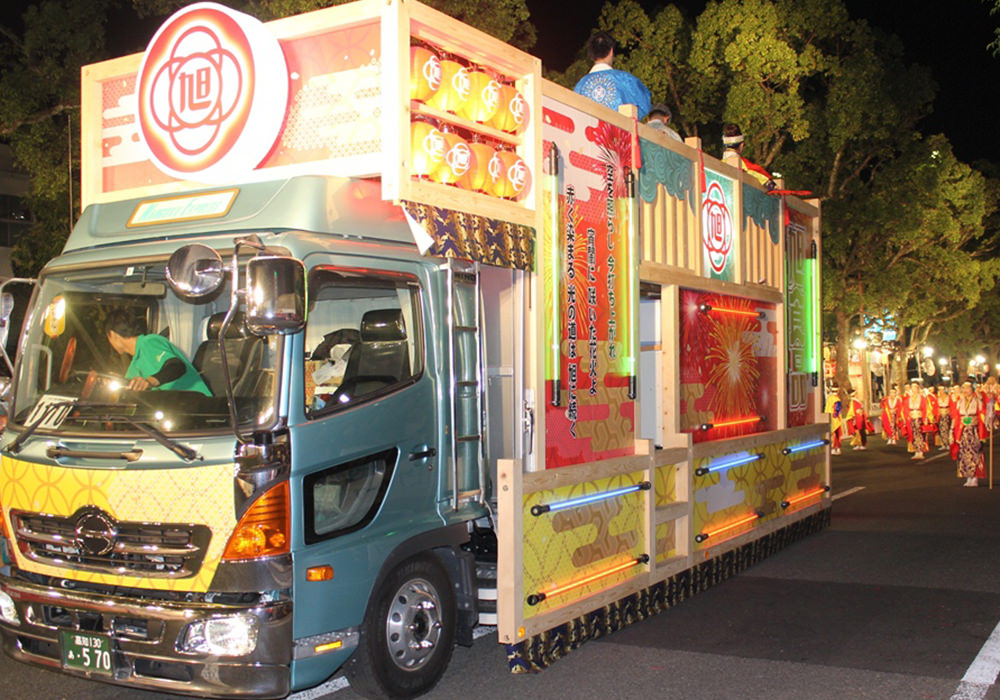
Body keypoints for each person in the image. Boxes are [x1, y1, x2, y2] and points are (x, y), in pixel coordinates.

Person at [105, 310, 211, 395]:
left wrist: (149, 382)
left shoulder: (149, 342)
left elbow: (176, 366)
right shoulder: (133, 369)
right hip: (171, 412)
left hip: (198, 405)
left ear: (113, 335)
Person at [573, 32, 652, 120]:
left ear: (591, 56)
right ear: (611, 51)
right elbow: (645, 104)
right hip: (619, 128)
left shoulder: (580, 86)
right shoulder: (625, 79)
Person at [951, 381, 987, 487]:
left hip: (974, 430)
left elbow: (982, 414)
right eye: (963, 388)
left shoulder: (978, 401)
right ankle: (967, 476)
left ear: (972, 389)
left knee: (975, 452)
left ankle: (975, 476)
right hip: (963, 431)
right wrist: (952, 430)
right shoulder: (960, 402)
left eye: (967, 388)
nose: (965, 390)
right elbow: (957, 416)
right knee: (964, 453)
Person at [722, 124, 776, 191]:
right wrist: (770, 184)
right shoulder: (743, 164)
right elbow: (758, 173)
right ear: (741, 145)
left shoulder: (719, 164)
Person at [898, 382, 930, 459]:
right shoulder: (909, 399)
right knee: (913, 434)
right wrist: (907, 418)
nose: (913, 389)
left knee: (920, 434)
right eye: (912, 387)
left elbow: (925, 409)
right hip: (911, 418)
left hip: (919, 418)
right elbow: (906, 409)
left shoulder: (922, 398)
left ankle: (920, 451)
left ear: (918, 388)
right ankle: (916, 451)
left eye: (915, 387)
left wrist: (925, 418)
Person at [825, 386, 846, 455]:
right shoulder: (836, 399)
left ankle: (834, 448)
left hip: (830, 418)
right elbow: (837, 409)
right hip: (835, 419)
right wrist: (836, 415)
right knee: (836, 434)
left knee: (833, 434)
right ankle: (836, 448)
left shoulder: (829, 398)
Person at [935, 386, 953, 451]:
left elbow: (951, 406)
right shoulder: (938, 398)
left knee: (947, 429)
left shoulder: (948, 397)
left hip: (947, 415)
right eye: (940, 390)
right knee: (941, 430)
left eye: (942, 390)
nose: (941, 391)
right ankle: (943, 444)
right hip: (941, 415)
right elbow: (936, 407)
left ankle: (948, 443)